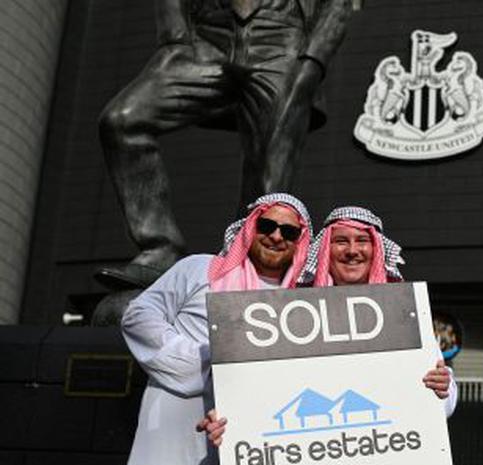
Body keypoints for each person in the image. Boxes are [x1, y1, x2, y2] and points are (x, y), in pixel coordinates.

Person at [98, 0, 351, 288]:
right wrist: (175, 40)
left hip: (281, 40)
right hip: (206, 41)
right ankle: (160, 248)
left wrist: (313, 60)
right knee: (121, 120)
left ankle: (247, 267)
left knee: (270, 172)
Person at [110, 193, 314, 465]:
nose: (277, 236)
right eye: (268, 225)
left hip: (253, 451)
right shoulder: (199, 269)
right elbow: (138, 315)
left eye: (289, 232)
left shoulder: (299, 305)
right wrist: (198, 359)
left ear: (299, 242)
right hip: (174, 433)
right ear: (251, 227)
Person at [200, 206, 457, 447]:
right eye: (341, 241)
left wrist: (443, 387)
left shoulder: (405, 315)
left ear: (377, 250)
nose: (352, 250)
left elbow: (441, 403)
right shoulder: (293, 314)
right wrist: (232, 419)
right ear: (325, 251)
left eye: (362, 241)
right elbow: (265, 388)